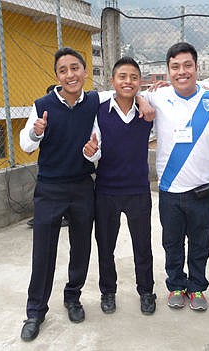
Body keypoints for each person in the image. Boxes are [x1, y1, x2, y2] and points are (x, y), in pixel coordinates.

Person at [18, 47, 118, 342]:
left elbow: (98, 144)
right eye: (64, 70)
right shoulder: (42, 105)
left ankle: (72, 297)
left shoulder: (95, 103)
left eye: (75, 68)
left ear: (85, 72)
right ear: (57, 76)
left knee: (81, 248)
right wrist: (37, 131)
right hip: (49, 188)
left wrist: (93, 152)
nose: (70, 74)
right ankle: (35, 311)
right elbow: (26, 145)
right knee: (43, 252)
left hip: (81, 186)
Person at [142, 42, 209, 311]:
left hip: (202, 192)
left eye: (187, 66)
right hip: (170, 191)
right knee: (172, 244)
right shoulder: (157, 97)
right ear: (168, 71)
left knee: (200, 244)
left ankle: (196, 288)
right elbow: (119, 96)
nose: (181, 72)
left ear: (197, 68)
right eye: (175, 67)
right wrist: (141, 98)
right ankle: (176, 286)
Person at [82, 57, 156, 316]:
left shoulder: (147, 111)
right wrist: (90, 152)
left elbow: (164, 94)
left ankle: (146, 291)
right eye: (122, 77)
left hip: (138, 190)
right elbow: (94, 151)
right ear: (112, 81)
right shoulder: (100, 111)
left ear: (139, 82)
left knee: (142, 245)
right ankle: (108, 292)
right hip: (106, 191)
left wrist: (143, 99)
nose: (128, 81)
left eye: (134, 77)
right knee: (105, 246)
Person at [26, 84, 69, 229]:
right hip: (50, 178)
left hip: (73, 176)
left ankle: (66, 216)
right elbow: (28, 149)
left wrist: (139, 99)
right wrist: (36, 133)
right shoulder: (41, 120)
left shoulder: (74, 115)